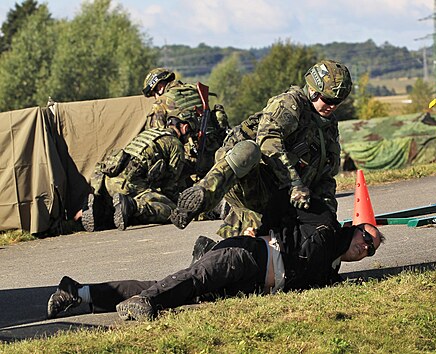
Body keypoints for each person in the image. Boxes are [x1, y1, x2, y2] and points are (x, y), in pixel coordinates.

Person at [47, 203, 384, 321]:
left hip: (245, 284)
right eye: (366, 237)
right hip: (247, 255)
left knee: (174, 286)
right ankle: (145, 304)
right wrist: (263, 226)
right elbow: (281, 203)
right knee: (188, 282)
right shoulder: (324, 221)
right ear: (354, 228)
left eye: (372, 250)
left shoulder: (329, 271)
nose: (366, 248)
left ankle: (80, 292)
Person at [170, 59, 353, 238]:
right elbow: (268, 142)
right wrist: (294, 184)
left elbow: (326, 177)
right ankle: (202, 196)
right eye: (328, 99)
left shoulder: (328, 126)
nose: (332, 106)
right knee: (248, 150)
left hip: (284, 202)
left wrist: (327, 217)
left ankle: (209, 251)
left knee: (254, 256)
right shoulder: (290, 104)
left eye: (339, 101)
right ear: (312, 90)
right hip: (253, 183)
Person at [81, 116, 196, 231]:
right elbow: (169, 186)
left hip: (108, 180)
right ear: (185, 128)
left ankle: (100, 210)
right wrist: (181, 202)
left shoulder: (149, 133)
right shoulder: (175, 144)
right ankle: (133, 206)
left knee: (116, 209)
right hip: (129, 185)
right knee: (172, 211)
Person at [142, 68, 230, 177]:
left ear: (159, 87)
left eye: (153, 94)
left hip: (190, 163)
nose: (154, 98)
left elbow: (154, 137)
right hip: (216, 154)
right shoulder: (196, 90)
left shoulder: (161, 102)